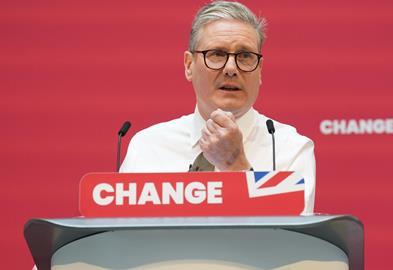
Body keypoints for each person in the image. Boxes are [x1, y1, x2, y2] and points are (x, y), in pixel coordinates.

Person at [120, 0, 316, 214]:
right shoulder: (148, 146)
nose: (231, 68)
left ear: (259, 70)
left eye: (245, 56)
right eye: (217, 54)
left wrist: (236, 166)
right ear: (188, 65)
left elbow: (291, 242)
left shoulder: (290, 149)